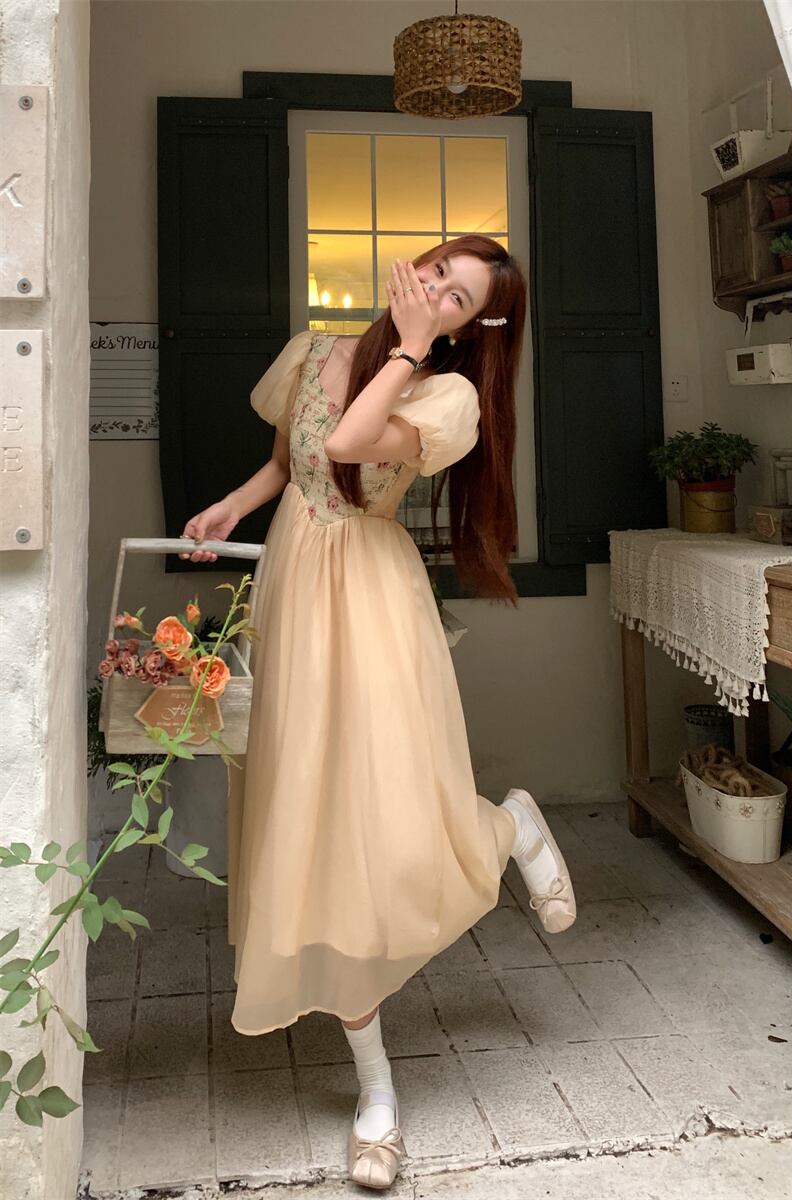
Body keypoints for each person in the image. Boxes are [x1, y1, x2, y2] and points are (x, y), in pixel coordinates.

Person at [179, 235, 576, 1190]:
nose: (434, 289)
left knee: (382, 822)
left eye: (457, 297)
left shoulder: (447, 397)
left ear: (472, 329)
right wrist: (233, 506)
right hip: (294, 585)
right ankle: (376, 1086)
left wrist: (407, 344)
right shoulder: (313, 351)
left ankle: (505, 829)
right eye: (436, 270)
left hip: (371, 595)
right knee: (310, 827)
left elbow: (351, 448)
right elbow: (293, 463)